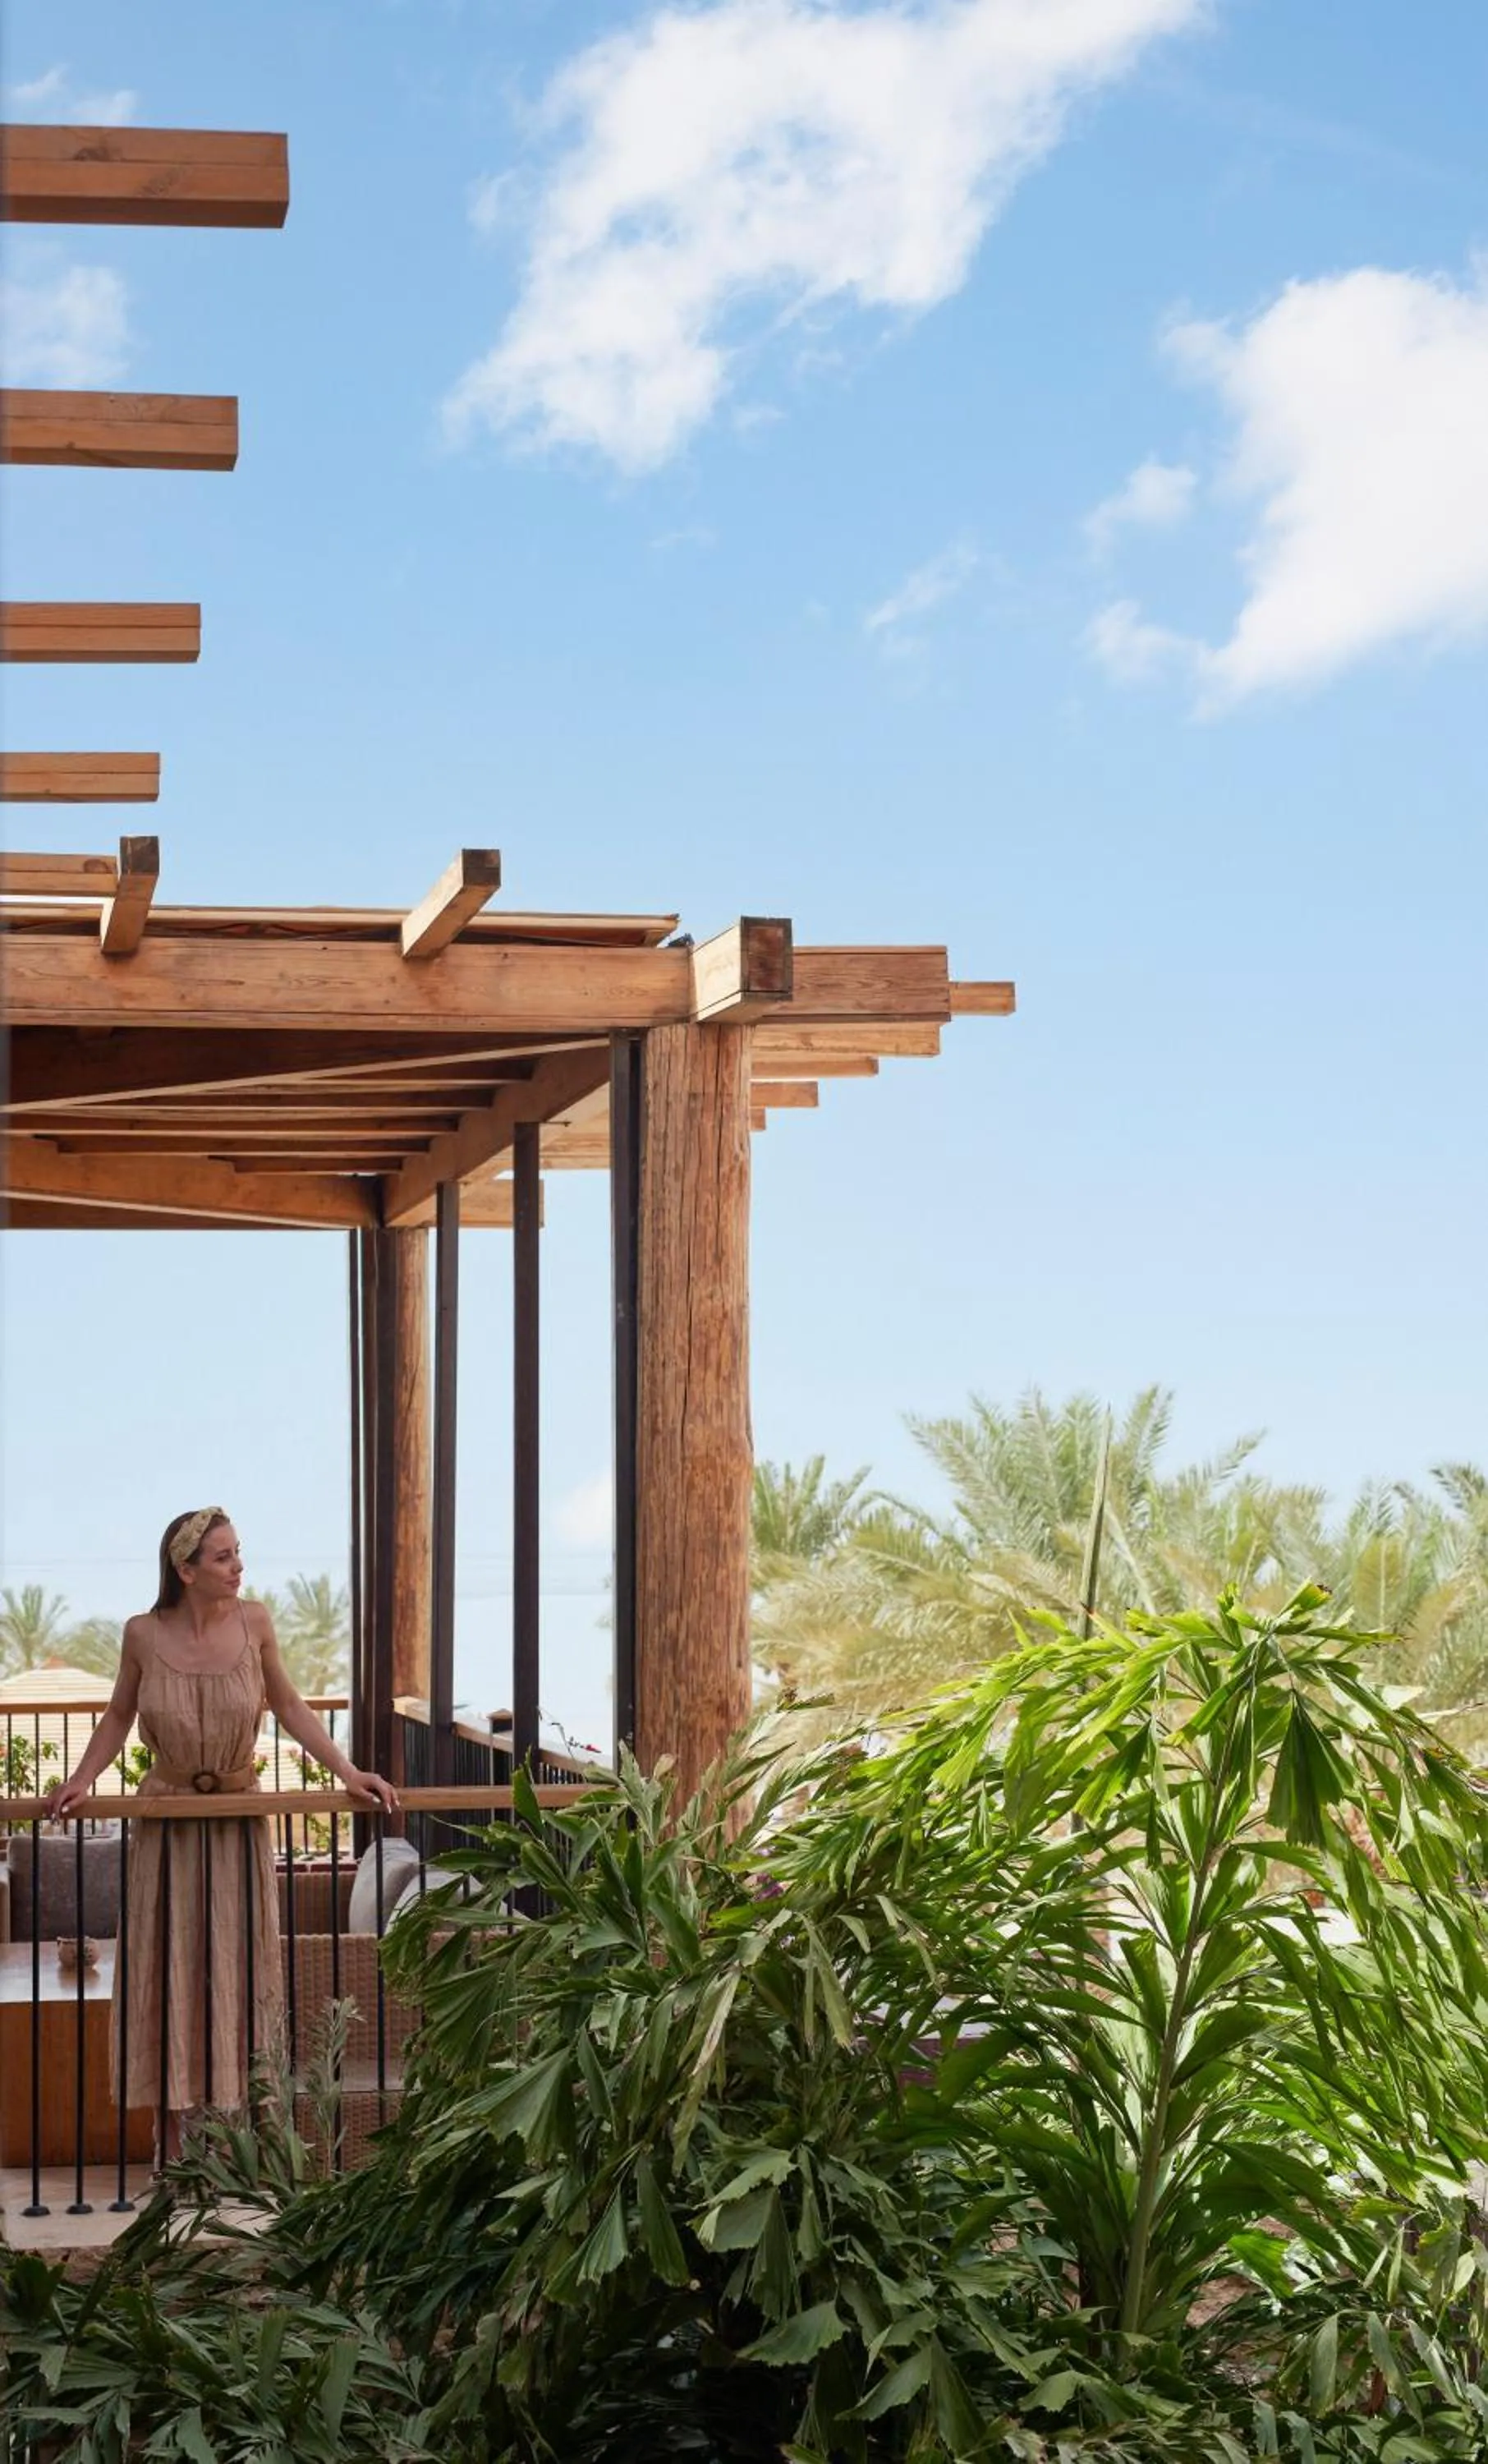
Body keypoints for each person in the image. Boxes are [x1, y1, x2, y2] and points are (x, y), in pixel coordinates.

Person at [45, 1507, 397, 2161]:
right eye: (223, 1557)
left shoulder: (255, 1622)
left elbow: (289, 1706)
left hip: (237, 1822)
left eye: (238, 1552)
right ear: (185, 1570)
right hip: (167, 1825)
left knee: (236, 1969)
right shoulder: (142, 1634)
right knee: (166, 1968)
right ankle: (172, 2142)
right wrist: (81, 1780)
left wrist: (349, 1773)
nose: (239, 1566)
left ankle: (239, 2139)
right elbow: (119, 1713)